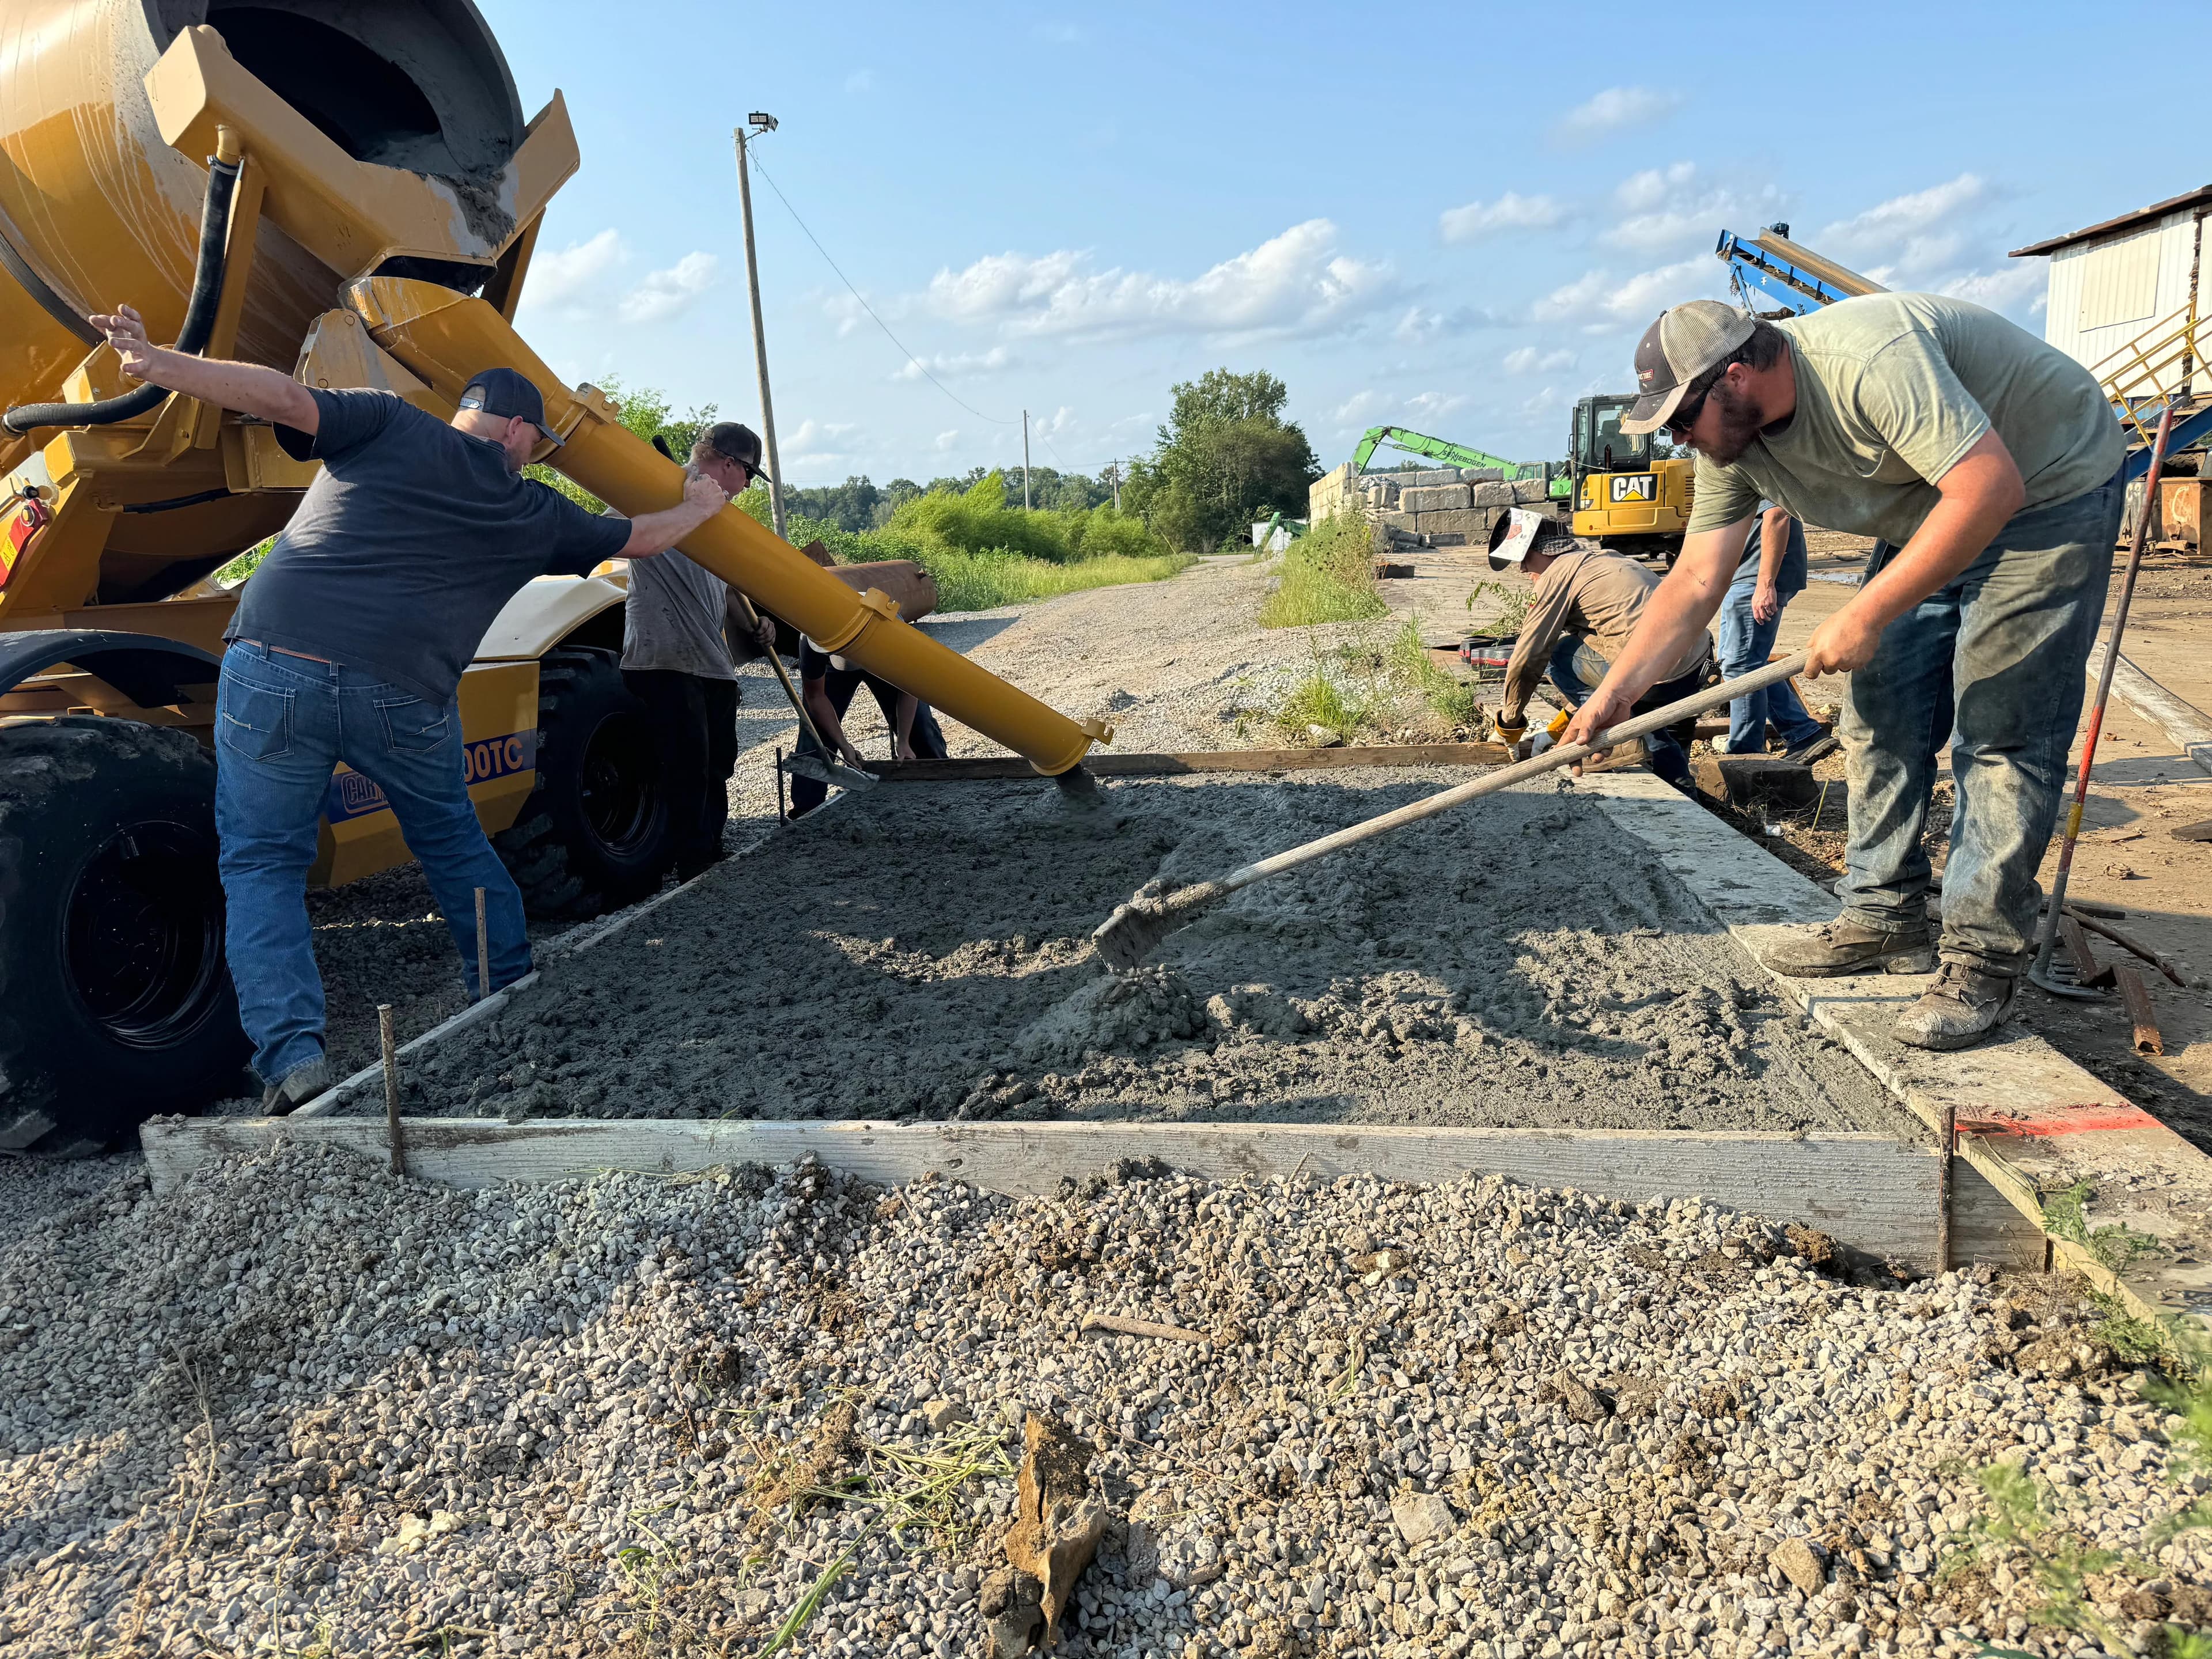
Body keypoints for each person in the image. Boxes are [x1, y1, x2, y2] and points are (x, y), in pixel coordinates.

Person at [87, 303, 731, 1111]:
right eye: (535, 445)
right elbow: (642, 538)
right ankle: (505, 989)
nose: (533, 457)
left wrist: (160, 364)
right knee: (451, 839)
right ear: (514, 430)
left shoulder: (386, 422)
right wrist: (701, 506)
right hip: (400, 690)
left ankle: (293, 1061)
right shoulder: (529, 510)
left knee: (261, 864)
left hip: (274, 666)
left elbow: (281, 397)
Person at [1566, 295, 2126, 1051]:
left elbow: (1989, 488)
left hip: (2044, 486)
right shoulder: (1731, 445)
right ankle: (1884, 916)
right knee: (1880, 711)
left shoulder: (1867, 362)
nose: (1677, 437)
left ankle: (1982, 960)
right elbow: (1697, 580)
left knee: (2001, 725)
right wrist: (1616, 695)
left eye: (1680, 418)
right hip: (1934, 503)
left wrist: (1865, 612)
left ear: (1734, 376)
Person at [619, 421, 778, 880]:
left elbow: (725, 587)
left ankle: (709, 855)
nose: (747, 486)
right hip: (664, 659)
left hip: (711, 663)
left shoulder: (718, 518)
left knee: (716, 766)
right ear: (728, 463)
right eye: (748, 474)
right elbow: (611, 531)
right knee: (685, 769)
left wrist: (755, 623)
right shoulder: (658, 490)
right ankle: (690, 867)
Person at [1487, 507, 1713, 787]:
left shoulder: (1556, 574)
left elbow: (1527, 658)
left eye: (1524, 559)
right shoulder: (1607, 559)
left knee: (1557, 655)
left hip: (1655, 677)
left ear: (1543, 550)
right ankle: (1685, 792)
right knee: (1670, 738)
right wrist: (1559, 729)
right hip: (1695, 666)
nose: (1523, 569)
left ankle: (1627, 737)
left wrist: (1508, 727)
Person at [1715, 502, 1835, 764]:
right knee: (1738, 662)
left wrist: (1765, 583)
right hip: (1746, 574)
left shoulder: (1759, 475)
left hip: (1757, 576)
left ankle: (1746, 754)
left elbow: (1779, 514)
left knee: (1742, 665)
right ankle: (1803, 732)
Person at [787, 635, 948, 816]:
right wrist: (844, 746)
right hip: (831, 661)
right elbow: (816, 697)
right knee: (815, 734)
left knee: (920, 726)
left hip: (880, 652)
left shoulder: (894, 634)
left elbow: (909, 687)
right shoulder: (813, 639)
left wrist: (904, 741)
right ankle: (806, 811)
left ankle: (944, 785)